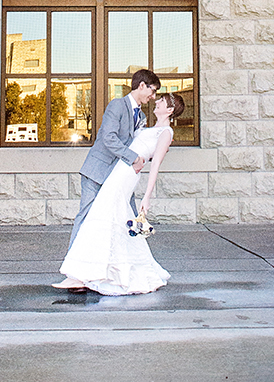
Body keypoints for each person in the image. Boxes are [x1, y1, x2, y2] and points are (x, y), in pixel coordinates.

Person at [53, 92, 185, 296]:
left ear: (169, 110)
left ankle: (83, 274)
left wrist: (147, 197)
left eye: (161, 101)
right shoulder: (147, 125)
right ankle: (90, 272)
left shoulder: (166, 133)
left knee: (103, 217)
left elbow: (156, 165)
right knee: (109, 219)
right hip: (118, 172)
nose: (156, 102)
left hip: (126, 177)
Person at [68, 68, 162, 247]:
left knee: (131, 218)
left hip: (120, 176)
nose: (153, 96)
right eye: (153, 90)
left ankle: (135, 263)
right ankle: (72, 263)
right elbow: (108, 138)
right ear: (142, 86)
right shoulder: (117, 105)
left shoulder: (141, 116)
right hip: (97, 173)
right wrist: (134, 158)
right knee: (86, 216)